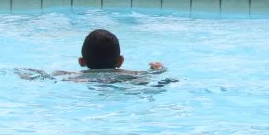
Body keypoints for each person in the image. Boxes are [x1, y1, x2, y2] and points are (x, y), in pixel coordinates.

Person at [16, 29, 165, 82]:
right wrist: (158, 70)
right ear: (120, 61)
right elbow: (157, 80)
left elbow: (46, 76)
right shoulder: (133, 75)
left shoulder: (71, 76)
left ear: (81, 62)